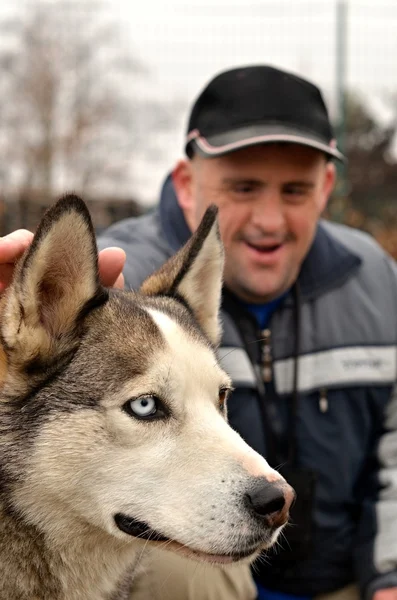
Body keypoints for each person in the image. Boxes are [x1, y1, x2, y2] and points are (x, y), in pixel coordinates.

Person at [1, 66, 396, 600]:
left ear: (326, 188)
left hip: (346, 577)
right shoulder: (122, 276)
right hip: (202, 572)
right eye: (244, 187)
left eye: (295, 190)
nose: (269, 219)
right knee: (180, 577)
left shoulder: (376, 280)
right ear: (187, 184)